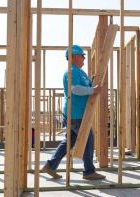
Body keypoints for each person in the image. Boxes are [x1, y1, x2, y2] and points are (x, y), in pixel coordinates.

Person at [42, 45, 105, 180]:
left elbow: (85, 86)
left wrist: (92, 85)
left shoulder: (80, 72)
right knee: (88, 139)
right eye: (82, 55)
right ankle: (89, 171)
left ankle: (50, 165)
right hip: (75, 114)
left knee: (69, 141)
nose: (83, 58)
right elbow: (75, 89)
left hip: (77, 114)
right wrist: (93, 90)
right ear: (74, 56)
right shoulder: (71, 72)